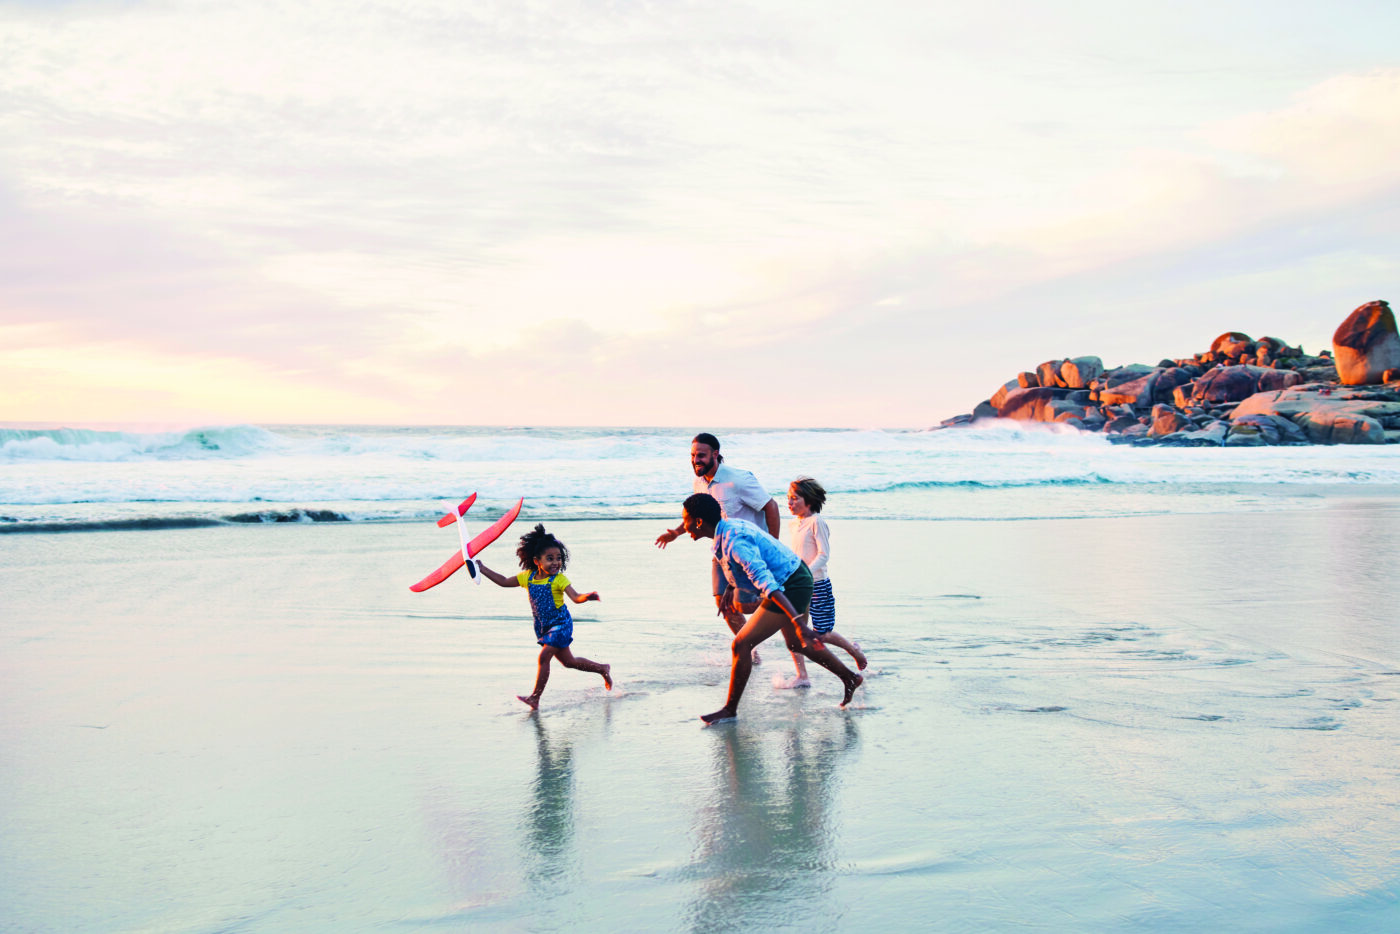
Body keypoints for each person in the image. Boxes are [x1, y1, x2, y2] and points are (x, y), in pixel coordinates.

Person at [678, 493, 863, 723]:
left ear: (698, 522)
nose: (683, 526)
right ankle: (850, 678)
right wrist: (729, 588)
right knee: (796, 643)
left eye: (685, 520)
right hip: (795, 575)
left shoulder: (735, 541)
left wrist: (796, 620)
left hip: (791, 583)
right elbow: (739, 564)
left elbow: (768, 583)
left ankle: (730, 709)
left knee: (741, 644)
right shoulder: (725, 531)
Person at [656, 433, 804, 677]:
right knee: (723, 604)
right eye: (693, 456)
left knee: (747, 603)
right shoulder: (699, 484)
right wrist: (677, 532)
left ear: (715, 454)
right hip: (721, 554)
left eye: (701, 455)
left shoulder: (739, 479)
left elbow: (771, 506)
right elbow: (698, 516)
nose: (696, 460)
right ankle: (750, 651)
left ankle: (787, 610)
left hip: (748, 553)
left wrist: (772, 545)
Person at [477, 523, 612, 710]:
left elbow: (575, 597)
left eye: (558, 558)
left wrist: (586, 597)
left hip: (561, 624)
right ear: (536, 561)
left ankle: (535, 698)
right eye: (550, 558)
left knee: (544, 656)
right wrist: (482, 569)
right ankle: (602, 668)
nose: (556, 562)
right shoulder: (528, 577)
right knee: (569, 662)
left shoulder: (559, 579)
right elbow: (503, 581)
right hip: (544, 627)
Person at [787, 476, 867, 673]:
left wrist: (806, 573)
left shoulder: (816, 522)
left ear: (810, 501)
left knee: (822, 634)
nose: (789, 502)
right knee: (795, 632)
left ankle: (853, 651)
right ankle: (802, 675)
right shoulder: (793, 524)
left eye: (795, 498)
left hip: (817, 584)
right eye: (788, 497)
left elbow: (824, 555)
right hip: (797, 585)